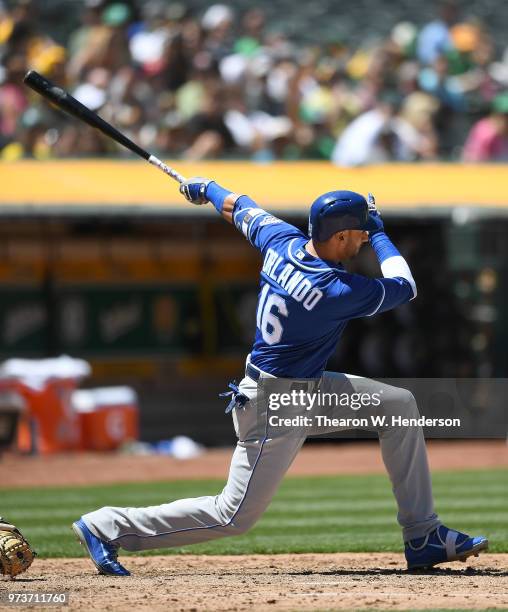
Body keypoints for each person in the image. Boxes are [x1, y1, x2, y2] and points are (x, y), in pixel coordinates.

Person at [72, 181, 488, 575]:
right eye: (358, 234)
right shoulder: (334, 289)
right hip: (277, 404)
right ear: (341, 237)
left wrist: (207, 188)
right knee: (232, 516)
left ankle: (423, 535)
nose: (362, 240)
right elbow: (405, 285)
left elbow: (240, 207)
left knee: (397, 406)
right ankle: (107, 525)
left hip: (303, 388)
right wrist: (380, 234)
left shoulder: (282, 241)